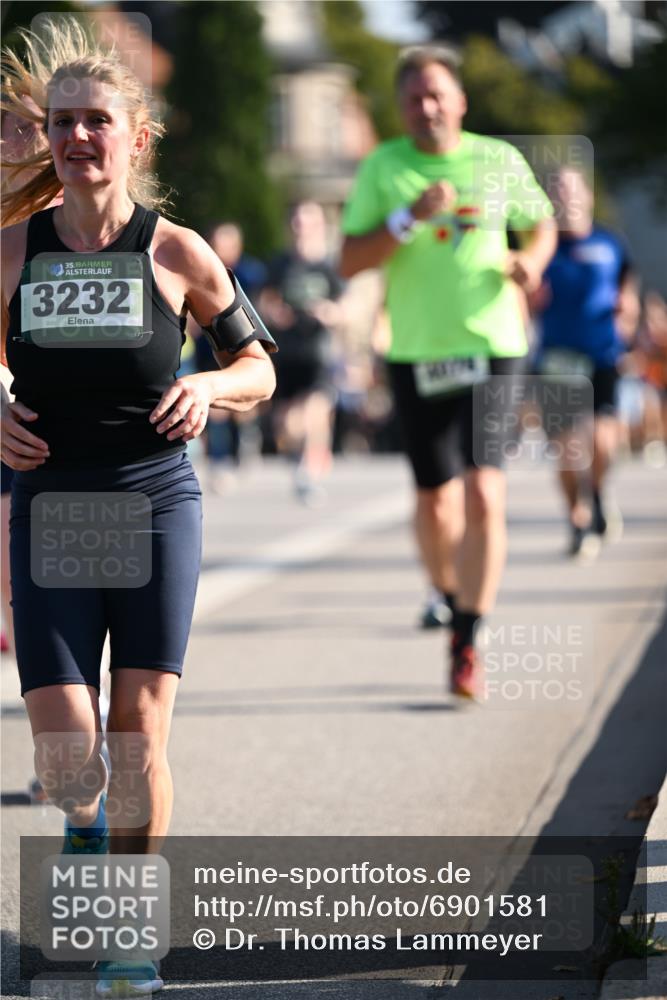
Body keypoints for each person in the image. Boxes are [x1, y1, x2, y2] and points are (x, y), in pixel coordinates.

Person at [0, 18, 276, 997]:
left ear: (136, 136)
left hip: (155, 500)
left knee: (137, 730)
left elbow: (258, 365)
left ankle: (128, 931)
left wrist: (210, 389)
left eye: (97, 121)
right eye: (62, 122)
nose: (78, 137)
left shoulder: (179, 253)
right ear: (48, 137)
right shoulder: (12, 251)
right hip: (53, 509)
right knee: (70, 751)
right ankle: (81, 814)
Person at [340, 45, 556, 697]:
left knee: (484, 488)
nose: (426, 107)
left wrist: (532, 262)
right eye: (413, 98)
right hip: (415, 351)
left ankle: (466, 637)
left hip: (493, 342)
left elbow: (539, 224)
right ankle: (447, 590)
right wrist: (408, 217)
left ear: (459, 100)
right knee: (435, 502)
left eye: (437, 94)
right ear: (401, 108)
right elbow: (350, 260)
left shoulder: (497, 160)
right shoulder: (383, 165)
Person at [533, 166, 639, 558]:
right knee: (566, 451)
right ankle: (577, 520)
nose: (565, 197)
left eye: (571, 189)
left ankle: (597, 494)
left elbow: (628, 285)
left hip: (602, 355)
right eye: (557, 191)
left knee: (602, 444)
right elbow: (522, 291)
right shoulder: (541, 245)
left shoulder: (610, 242)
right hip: (557, 358)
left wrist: (627, 313)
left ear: (587, 196)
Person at [260, 201, 344, 505]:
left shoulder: (330, 265)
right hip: (286, 351)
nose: (301, 229)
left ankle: (310, 472)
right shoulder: (280, 264)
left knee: (315, 411)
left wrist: (328, 312)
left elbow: (345, 308)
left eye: (308, 223)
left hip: (318, 351)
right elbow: (265, 302)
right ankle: (303, 459)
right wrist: (275, 313)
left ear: (319, 226)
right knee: (288, 423)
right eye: (297, 223)